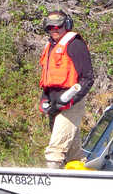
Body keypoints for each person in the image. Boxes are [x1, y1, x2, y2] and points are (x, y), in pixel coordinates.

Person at [38, 10, 95, 169]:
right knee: (73, 152)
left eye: (58, 26)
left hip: (71, 103)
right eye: (50, 27)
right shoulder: (50, 46)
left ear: (67, 25)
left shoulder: (75, 44)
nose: (54, 29)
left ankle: (51, 183)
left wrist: (70, 101)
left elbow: (88, 78)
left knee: (55, 150)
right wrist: (45, 98)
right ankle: (85, 179)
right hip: (54, 103)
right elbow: (48, 78)